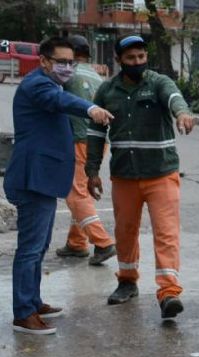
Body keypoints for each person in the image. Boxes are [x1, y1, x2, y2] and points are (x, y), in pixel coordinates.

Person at [4, 37, 114, 335]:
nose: (67, 67)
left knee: (38, 247)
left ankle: (33, 301)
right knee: (29, 249)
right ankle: (23, 314)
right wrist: (91, 108)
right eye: (61, 62)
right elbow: (61, 102)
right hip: (33, 178)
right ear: (44, 61)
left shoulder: (50, 83)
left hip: (45, 178)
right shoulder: (37, 85)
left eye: (71, 62)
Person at [86, 35, 194, 320]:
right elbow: (96, 134)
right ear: (119, 60)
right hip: (124, 176)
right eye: (131, 58)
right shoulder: (106, 91)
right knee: (125, 231)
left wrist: (182, 113)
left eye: (141, 57)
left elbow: (174, 97)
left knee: (166, 233)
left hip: (161, 173)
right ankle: (127, 281)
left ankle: (169, 292)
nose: (137, 62)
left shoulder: (158, 82)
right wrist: (92, 170)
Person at [54, 34, 117, 266]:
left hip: (80, 139)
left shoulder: (69, 74)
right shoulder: (96, 75)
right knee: (82, 189)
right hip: (100, 140)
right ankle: (76, 243)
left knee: (76, 194)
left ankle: (103, 243)